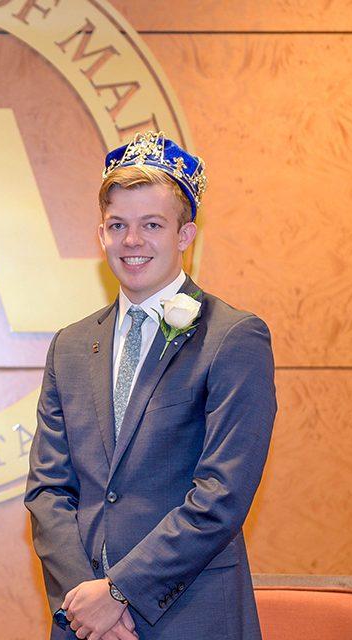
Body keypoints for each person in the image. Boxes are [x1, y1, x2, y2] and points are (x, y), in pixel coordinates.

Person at [25, 132, 275, 640]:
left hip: (192, 617)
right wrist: (88, 603)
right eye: (118, 225)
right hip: (85, 625)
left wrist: (120, 592)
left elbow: (221, 495)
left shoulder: (233, 338)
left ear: (186, 236)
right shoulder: (70, 346)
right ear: (101, 235)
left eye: (151, 225)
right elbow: (49, 489)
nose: (132, 241)